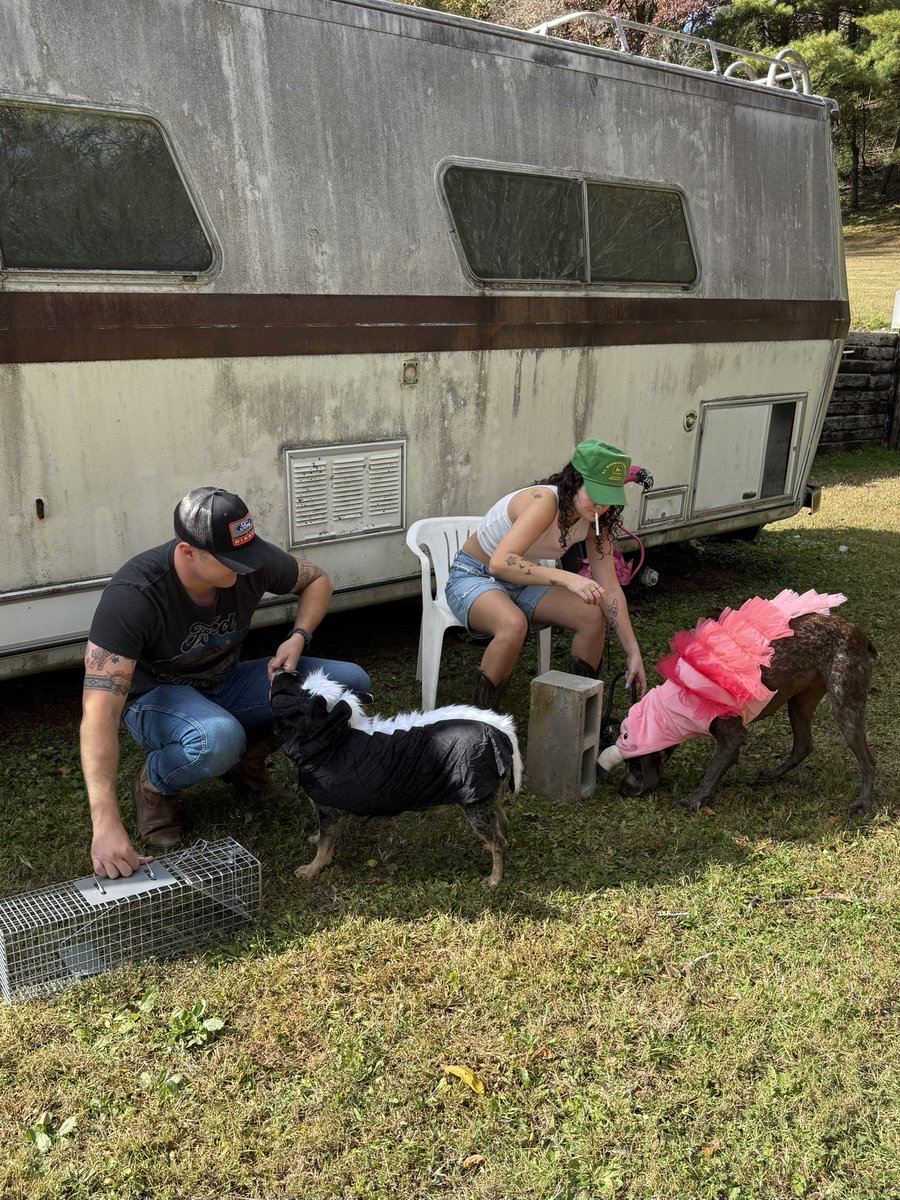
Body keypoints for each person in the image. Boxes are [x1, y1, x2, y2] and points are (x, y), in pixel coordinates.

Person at [81, 486, 370, 880]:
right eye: (232, 562)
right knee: (218, 738)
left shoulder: (249, 560)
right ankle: (156, 782)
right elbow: (98, 714)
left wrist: (299, 636)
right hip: (155, 699)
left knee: (348, 685)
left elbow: (317, 580)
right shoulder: (134, 596)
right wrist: (105, 824)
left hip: (227, 680)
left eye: (248, 555)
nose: (247, 569)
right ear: (188, 552)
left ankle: (244, 761)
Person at [444, 440, 649, 709]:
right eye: (596, 493)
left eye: (609, 497)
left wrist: (633, 652)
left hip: (523, 580)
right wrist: (568, 577)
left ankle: (577, 714)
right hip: (474, 575)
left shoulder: (598, 521)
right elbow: (500, 563)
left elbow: (609, 588)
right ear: (574, 481)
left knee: (592, 613)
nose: (601, 505)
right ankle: (482, 718)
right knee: (512, 624)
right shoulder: (544, 502)